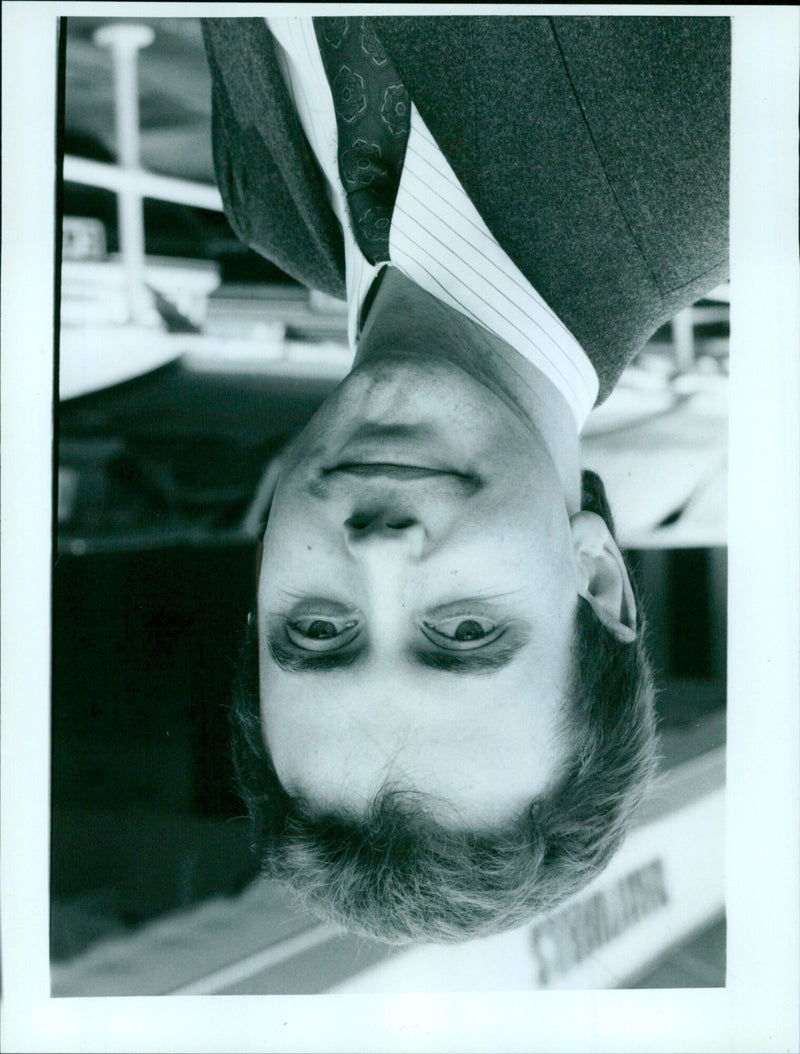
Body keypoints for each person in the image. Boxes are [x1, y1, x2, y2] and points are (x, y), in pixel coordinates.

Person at [201, 15, 730, 943]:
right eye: (466, 629)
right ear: (598, 578)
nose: (380, 554)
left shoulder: (269, 207)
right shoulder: (718, 140)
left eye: (319, 629)